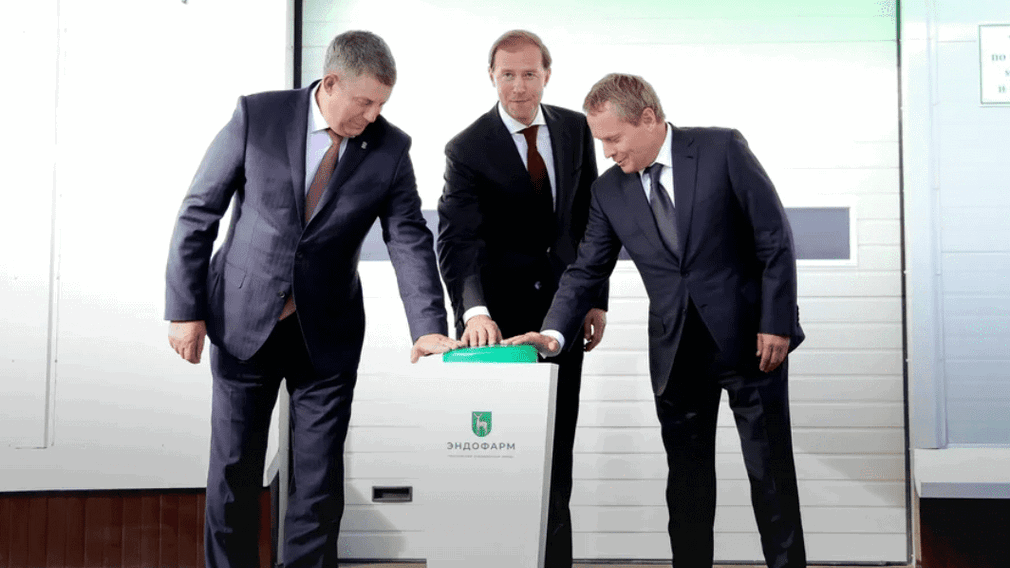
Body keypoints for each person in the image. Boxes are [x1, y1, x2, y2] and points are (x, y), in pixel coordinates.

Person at [165, 31, 458, 568]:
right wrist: (186, 311)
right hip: (242, 318)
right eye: (364, 102)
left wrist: (428, 326)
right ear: (331, 83)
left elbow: (409, 237)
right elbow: (199, 212)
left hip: (326, 333)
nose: (372, 116)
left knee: (318, 481)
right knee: (234, 471)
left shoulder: (390, 148)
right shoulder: (258, 116)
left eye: (381, 104)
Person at [506, 73, 806, 568]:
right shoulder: (609, 191)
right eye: (600, 141)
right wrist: (554, 332)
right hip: (676, 352)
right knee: (686, 486)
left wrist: (776, 323)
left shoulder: (721, 150)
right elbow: (586, 270)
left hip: (752, 344)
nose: (607, 152)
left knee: (770, 475)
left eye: (613, 139)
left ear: (648, 118)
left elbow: (773, 238)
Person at [436, 29, 606, 568]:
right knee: (498, 454)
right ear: (491, 76)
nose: (518, 86)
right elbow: (458, 241)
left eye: (529, 74)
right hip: (497, 326)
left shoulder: (575, 129)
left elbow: (591, 222)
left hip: (562, 316)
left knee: (557, 451)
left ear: (547, 75)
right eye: (507, 74)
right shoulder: (466, 148)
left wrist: (595, 298)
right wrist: (474, 310)